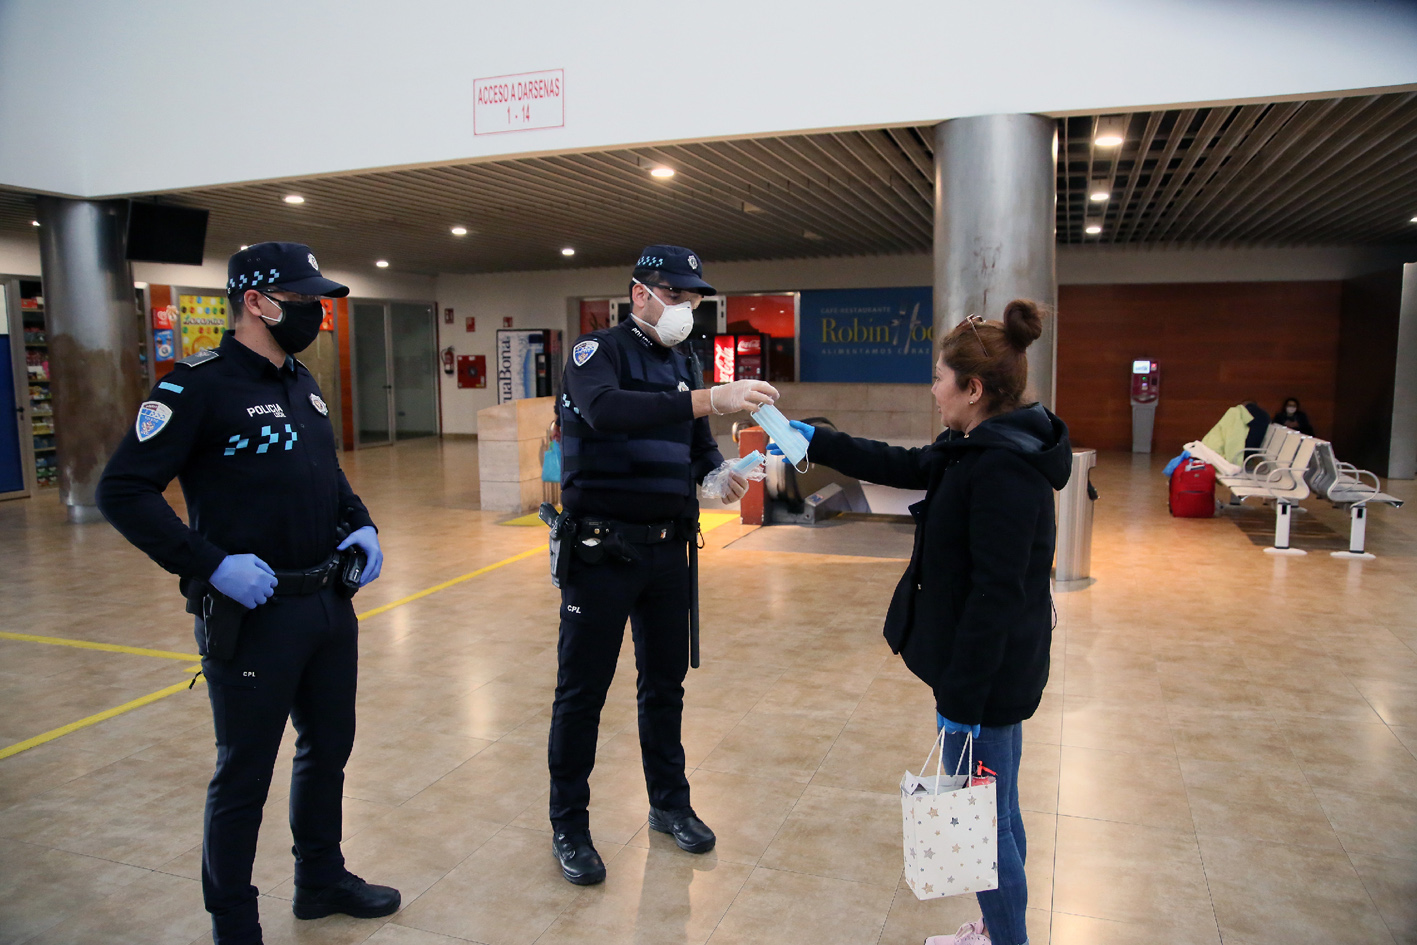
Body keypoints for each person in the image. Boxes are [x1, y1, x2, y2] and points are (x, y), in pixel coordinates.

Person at [96, 242, 398, 945]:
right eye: (303, 300)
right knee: (244, 773)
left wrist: (363, 526)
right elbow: (123, 489)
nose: (317, 313)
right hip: (253, 613)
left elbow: (328, 478)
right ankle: (234, 922)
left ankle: (319, 879)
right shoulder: (194, 385)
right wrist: (208, 563)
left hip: (326, 603)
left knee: (328, 749)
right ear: (256, 302)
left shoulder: (302, 382)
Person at [774, 301, 1069, 945]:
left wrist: (961, 700)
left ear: (973, 388)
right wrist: (813, 438)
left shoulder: (1002, 470)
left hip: (984, 681)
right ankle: (998, 930)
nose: (932, 391)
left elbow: (997, 595)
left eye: (939, 379)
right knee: (999, 809)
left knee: (985, 825)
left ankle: (1006, 939)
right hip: (982, 673)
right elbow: (903, 465)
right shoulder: (977, 443)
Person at [548, 244, 779, 885]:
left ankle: (668, 803)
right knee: (582, 693)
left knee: (664, 685)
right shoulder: (596, 354)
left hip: (666, 550)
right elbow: (609, 412)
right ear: (640, 293)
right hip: (600, 552)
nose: (686, 310)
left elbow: (698, 446)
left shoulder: (683, 359)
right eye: (676, 297)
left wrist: (718, 477)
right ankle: (569, 822)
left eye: (694, 301)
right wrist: (711, 398)